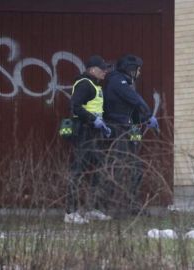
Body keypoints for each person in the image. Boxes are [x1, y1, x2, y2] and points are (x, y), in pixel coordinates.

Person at [103, 54, 158, 214]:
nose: (139, 73)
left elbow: (130, 109)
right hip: (118, 129)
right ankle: (112, 206)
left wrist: (143, 119)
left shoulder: (125, 83)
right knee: (119, 168)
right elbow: (135, 100)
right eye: (137, 70)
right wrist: (148, 115)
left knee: (135, 168)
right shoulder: (118, 82)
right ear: (130, 69)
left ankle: (133, 205)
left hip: (127, 128)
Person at [65, 55, 113, 224]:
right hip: (84, 133)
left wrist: (103, 125)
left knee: (98, 171)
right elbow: (75, 107)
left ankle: (93, 209)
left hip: (94, 134)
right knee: (77, 171)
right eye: (102, 68)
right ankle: (70, 213)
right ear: (93, 69)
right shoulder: (85, 84)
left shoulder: (95, 85)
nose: (105, 72)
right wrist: (93, 120)